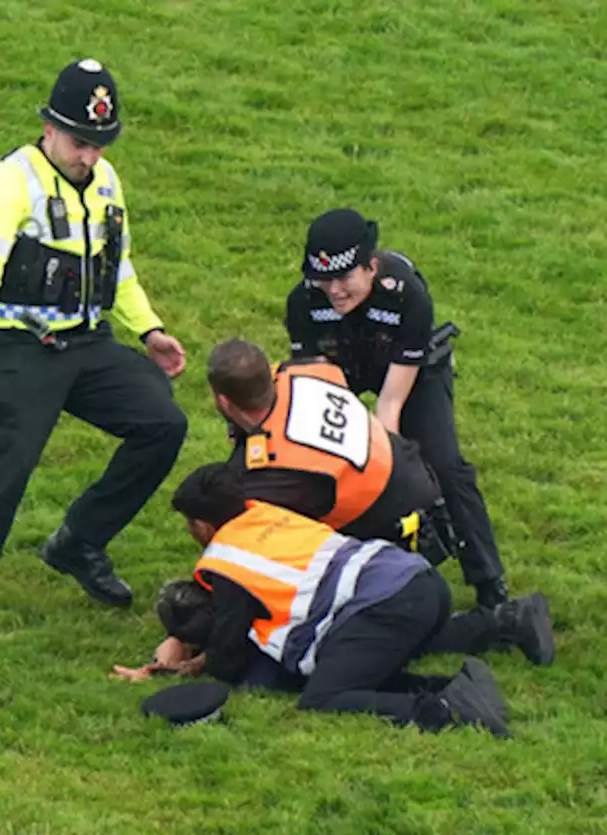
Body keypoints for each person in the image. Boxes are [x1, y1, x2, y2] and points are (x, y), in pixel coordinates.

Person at [0, 59, 188, 628]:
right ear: (49, 128)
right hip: (19, 344)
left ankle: (78, 541)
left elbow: (115, 269)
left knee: (163, 425)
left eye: (100, 144)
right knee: (14, 455)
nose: (90, 156)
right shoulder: (4, 183)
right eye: (80, 142)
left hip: (88, 343)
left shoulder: (107, 182)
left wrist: (149, 329)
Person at [137, 463, 560, 736]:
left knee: (326, 695)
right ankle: (507, 621)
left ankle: (446, 708)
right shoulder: (266, 512)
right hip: (418, 581)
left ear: (203, 525)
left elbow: (229, 658)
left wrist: (186, 665)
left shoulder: (224, 561)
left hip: (384, 605)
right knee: (380, 650)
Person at [284, 209, 509, 608]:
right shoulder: (303, 300)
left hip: (411, 371)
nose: (333, 290)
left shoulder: (408, 294)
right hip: (341, 365)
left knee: (444, 464)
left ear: (371, 268)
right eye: (324, 279)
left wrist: (396, 466)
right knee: (321, 461)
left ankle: (490, 583)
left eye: (344, 278)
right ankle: (317, 575)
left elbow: (390, 405)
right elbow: (317, 385)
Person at [208, 337, 451, 561]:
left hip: (392, 530)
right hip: (412, 470)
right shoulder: (303, 370)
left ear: (224, 401)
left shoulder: (275, 469)